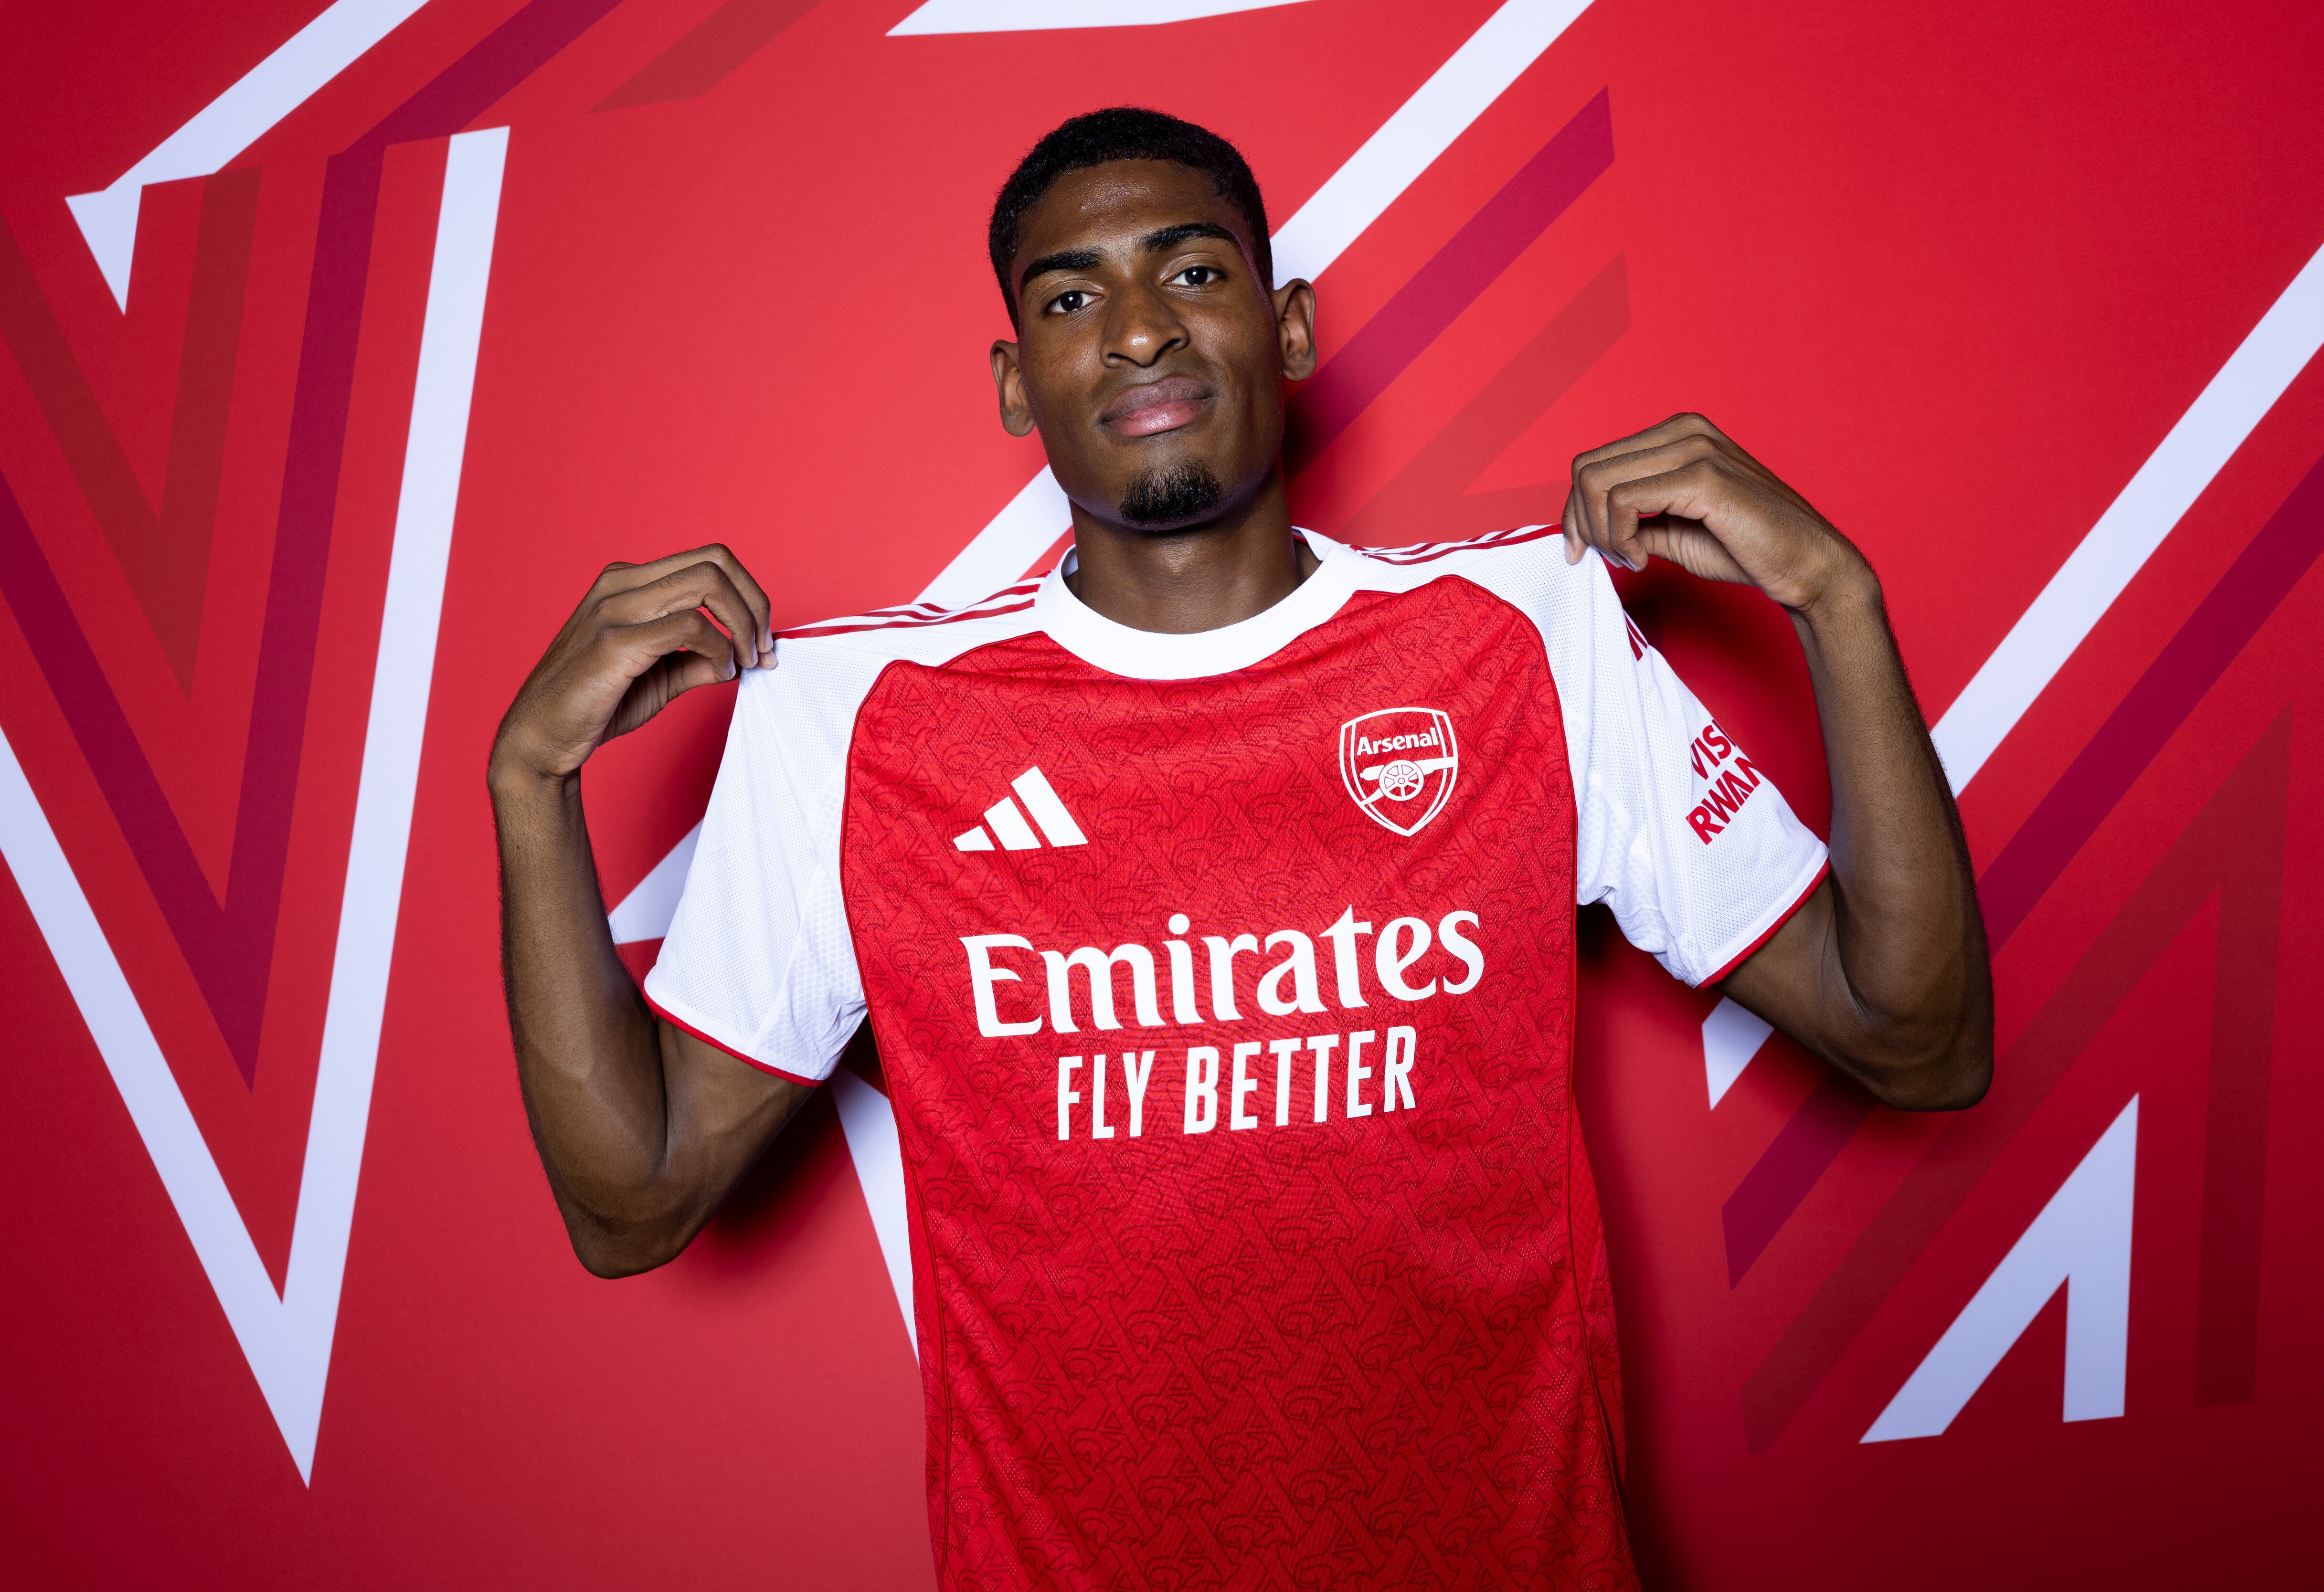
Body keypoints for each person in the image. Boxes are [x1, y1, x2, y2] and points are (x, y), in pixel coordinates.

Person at [489, 107, 1989, 1590]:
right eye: (1074, 298)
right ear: (1018, 384)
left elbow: (1918, 1041)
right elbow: (638, 1204)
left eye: (1191, 273)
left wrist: (1840, 608)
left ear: (1286, 330)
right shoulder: (858, 728)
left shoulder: (1525, 642)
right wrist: (530, 785)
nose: (1137, 332)